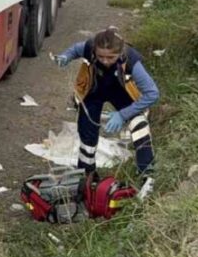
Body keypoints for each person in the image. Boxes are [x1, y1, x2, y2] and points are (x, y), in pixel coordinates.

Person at [56, 27, 160, 178]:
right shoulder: (90, 47)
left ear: (120, 53)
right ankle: (87, 174)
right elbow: (76, 49)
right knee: (87, 132)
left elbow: (152, 94)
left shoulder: (131, 60)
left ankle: (146, 173)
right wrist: (65, 57)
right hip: (94, 91)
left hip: (121, 93)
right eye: (100, 56)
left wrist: (123, 114)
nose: (105, 61)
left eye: (111, 57)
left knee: (139, 124)